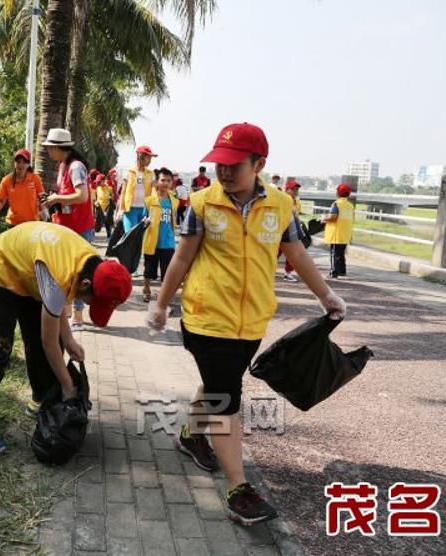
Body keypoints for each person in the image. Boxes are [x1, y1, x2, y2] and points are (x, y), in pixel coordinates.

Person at [148, 122, 346, 527]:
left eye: (233, 166)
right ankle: (239, 489)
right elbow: (183, 258)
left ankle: (189, 435)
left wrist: (325, 295)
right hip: (207, 317)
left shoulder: (280, 205)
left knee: (219, 382)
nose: (223, 172)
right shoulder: (202, 203)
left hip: (252, 319)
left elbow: (296, 253)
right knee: (227, 396)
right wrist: (162, 304)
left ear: (259, 164)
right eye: (219, 164)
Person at [0, 222, 132, 454]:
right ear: (86, 284)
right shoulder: (58, 277)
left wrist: (70, 339)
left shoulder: (92, 264)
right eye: (94, 301)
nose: (93, 306)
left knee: (47, 343)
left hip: (29, 273)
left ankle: (40, 401)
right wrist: (68, 386)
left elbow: (57, 302)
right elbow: (49, 339)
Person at [42, 128, 96, 331]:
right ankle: (65, 314)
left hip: (79, 230)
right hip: (65, 227)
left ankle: (78, 317)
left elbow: (82, 196)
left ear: (58, 147)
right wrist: (54, 200)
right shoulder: (63, 166)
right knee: (65, 273)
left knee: (79, 275)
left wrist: (57, 198)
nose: (48, 152)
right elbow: (68, 196)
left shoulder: (75, 167)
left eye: (50, 148)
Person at [142, 168, 178, 302]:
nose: (165, 183)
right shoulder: (149, 200)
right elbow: (143, 217)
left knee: (167, 270)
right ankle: (146, 289)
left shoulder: (174, 201)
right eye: (163, 180)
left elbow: (174, 219)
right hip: (152, 241)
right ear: (157, 182)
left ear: (172, 183)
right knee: (149, 269)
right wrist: (144, 221)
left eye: (168, 180)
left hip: (168, 242)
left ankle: (163, 293)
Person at [0, 149, 46, 226]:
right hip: (13, 223)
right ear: (14, 163)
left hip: (32, 223)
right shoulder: (7, 180)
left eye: (24, 162)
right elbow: (1, 200)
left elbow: (42, 196)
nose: (20, 165)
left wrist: (44, 209)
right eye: (18, 162)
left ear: (28, 164)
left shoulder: (35, 178)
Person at [115, 145, 157, 233]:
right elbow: (123, 192)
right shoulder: (129, 172)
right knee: (130, 236)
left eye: (151, 158)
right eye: (148, 157)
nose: (150, 160)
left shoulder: (151, 173)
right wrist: (120, 210)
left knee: (141, 237)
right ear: (140, 157)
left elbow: (154, 192)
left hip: (144, 210)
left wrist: (153, 210)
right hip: (130, 210)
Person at [323, 183, 355, 279]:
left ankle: (334, 272)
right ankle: (342, 271)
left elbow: (333, 217)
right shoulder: (350, 205)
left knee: (334, 253)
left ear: (337, 193)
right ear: (349, 194)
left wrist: (324, 218)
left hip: (336, 233)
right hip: (345, 233)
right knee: (341, 253)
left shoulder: (336, 204)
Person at [281, 179, 302, 282]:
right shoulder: (281, 199)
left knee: (292, 254)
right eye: (293, 189)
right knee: (273, 254)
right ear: (287, 189)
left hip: (291, 233)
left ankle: (287, 273)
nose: (295, 191)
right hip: (280, 232)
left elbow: (296, 216)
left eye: (297, 189)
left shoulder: (297, 203)